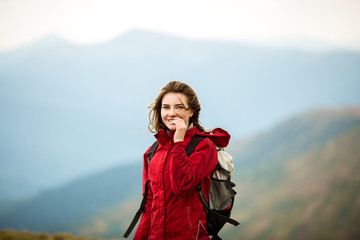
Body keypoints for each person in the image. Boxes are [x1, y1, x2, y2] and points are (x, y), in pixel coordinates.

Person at [133, 81, 231, 240]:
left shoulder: (204, 146)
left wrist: (178, 142)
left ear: (191, 111)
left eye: (179, 107)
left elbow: (182, 186)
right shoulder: (152, 152)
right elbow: (148, 205)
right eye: (166, 107)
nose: (171, 113)